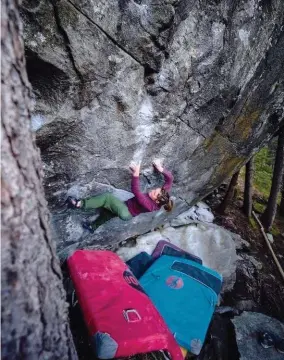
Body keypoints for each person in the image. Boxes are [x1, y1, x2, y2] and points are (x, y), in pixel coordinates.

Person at [66, 160, 174, 233]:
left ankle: (79, 204)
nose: (153, 190)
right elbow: (170, 179)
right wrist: (161, 169)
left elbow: (136, 191)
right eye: (156, 189)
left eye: (154, 193)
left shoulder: (149, 205)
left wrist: (136, 173)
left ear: (156, 200)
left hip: (126, 212)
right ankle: (92, 227)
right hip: (125, 207)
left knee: (107, 198)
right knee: (107, 213)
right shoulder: (163, 195)